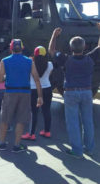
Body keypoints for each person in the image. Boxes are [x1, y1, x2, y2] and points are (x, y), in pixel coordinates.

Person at [48, 25, 100, 158]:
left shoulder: (66, 59)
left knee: (73, 122)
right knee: (88, 121)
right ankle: (89, 148)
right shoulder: (90, 58)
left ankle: (77, 150)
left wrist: (54, 35)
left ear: (71, 48)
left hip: (71, 92)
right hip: (87, 92)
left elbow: (51, 50)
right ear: (84, 47)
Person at [0, 39, 43, 153]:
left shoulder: (4, 61)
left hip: (10, 93)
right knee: (21, 120)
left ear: (11, 48)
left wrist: (8, 77)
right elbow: (36, 79)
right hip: (25, 93)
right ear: (22, 48)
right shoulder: (30, 61)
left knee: (5, 118)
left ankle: (1, 143)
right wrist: (40, 96)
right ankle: (17, 145)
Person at [21, 46, 53, 140]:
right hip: (47, 88)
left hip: (34, 89)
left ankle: (31, 134)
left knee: (33, 112)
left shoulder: (30, 64)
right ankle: (47, 131)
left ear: (34, 55)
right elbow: (49, 75)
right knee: (46, 110)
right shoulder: (50, 64)